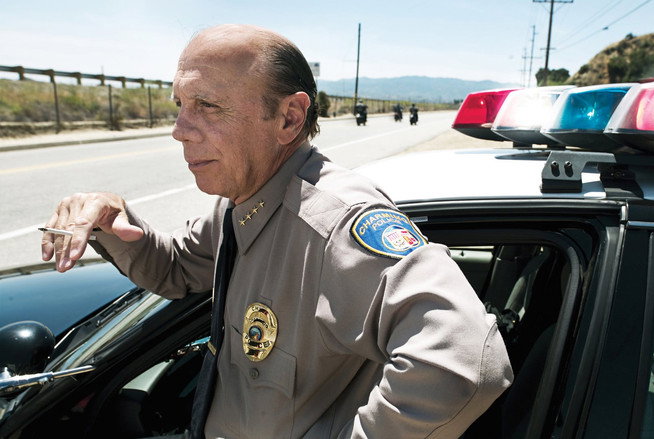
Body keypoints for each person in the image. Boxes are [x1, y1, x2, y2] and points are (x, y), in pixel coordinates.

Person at [41, 24, 512, 439]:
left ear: (288, 118)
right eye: (180, 105)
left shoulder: (334, 225)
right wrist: (113, 219)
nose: (180, 130)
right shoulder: (244, 199)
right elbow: (178, 268)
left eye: (207, 106)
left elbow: (465, 361)